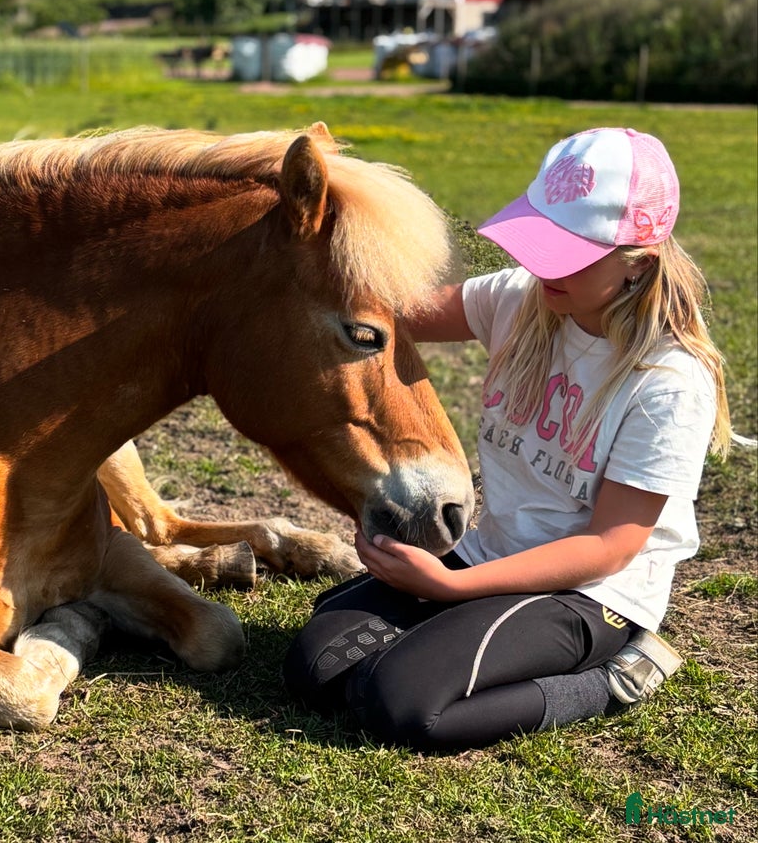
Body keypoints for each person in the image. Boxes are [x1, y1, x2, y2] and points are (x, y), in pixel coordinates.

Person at [284, 127, 746, 752]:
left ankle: (616, 680)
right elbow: (388, 309)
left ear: (639, 259)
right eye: (538, 241)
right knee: (316, 665)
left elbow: (610, 546)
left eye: (569, 252)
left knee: (402, 706)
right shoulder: (521, 301)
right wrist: (330, 213)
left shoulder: (667, 382)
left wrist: (447, 588)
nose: (540, 266)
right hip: (492, 555)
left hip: (587, 595)